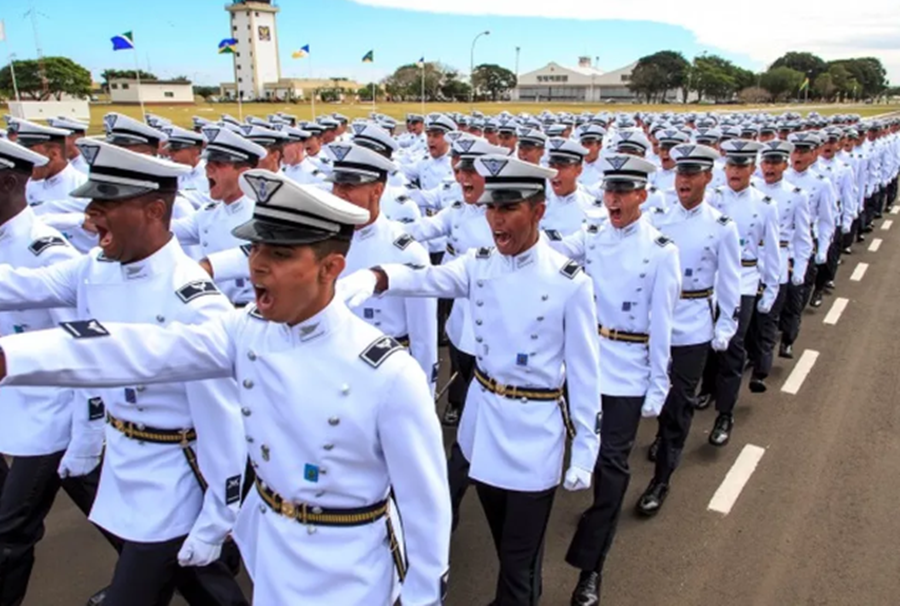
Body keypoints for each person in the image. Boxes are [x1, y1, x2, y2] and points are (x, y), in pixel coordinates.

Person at [0, 171, 452, 605]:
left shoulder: (388, 372)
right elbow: (141, 348)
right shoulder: (245, 331)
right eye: (256, 247)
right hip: (271, 546)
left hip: (350, 562)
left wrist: (423, 596)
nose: (256, 264)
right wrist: (13, 357)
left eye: (280, 254)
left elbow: (425, 507)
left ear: (331, 267)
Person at [342, 154, 600, 606]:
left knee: (519, 562)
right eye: (490, 209)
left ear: (538, 211)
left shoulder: (568, 282)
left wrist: (584, 451)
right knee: (509, 548)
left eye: (508, 209)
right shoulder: (479, 264)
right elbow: (426, 278)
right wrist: (378, 276)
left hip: (534, 434)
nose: (495, 220)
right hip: (483, 426)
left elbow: (584, 372)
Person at [0, 139, 249, 606]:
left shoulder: (194, 300)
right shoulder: (97, 268)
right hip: (126, 463)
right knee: (201, 584)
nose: (89, 218)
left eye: (105, 205)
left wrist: (219, 516)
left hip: (176, 474)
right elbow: (24, 286)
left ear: (155, 210)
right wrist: (88, 438)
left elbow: (224, 421)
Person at [553, 153, 680, 606]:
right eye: (609, 191)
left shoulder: (662, 251)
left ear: (642, 195)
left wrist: (658, 383)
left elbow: (663, 325)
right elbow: (547, 253)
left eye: (623, 192)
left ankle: (591, 569)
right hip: (586, 360)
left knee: (613, 466)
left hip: (628, 369)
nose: (613, 200)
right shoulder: (589, 235)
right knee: (563, 445)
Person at [0, 138, 114, 606]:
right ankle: (166, 561)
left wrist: (88, 425)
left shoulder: (48, 253)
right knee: (117, 516)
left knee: (9, 533)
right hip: (16, 413)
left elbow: (84, 347)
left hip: (51, 419)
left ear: (8, 182)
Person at [641, 143, 741, 516]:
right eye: (680, 174)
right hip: (654, 321)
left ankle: (662, 477)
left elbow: (730, 281)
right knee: (649, 391)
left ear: (707, 178)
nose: (683, 180)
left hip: (692, 323)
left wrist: (726, 323)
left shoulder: (721, 227)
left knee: (679, 403)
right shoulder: (658, 216)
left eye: (692, 174)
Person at [324, 141, 438, 392]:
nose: (339, 193)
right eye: (336, 184)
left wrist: (425, 394)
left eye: (349, 186)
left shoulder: (407, 253)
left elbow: (424, 339)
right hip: (332, 370)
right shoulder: (323, 243)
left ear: (377, 190)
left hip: (386, 375)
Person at [702, 139, 780, 445]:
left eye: (741, 166)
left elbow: (772, 251)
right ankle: (708, 390)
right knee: (706, 341)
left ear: (752, 169)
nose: (735, 171)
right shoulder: (711, 199)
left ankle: (725, 413)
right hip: (711, 278)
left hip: (744, 279)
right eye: (731, 165)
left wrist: (771, 288)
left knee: (733, 346)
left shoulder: (764, 206)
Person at [171, 125, 267, 306]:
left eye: (219, 165)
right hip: (213, 306)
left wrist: (210, 266)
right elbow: (168, 230)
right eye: (208, 164)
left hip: (251, 310)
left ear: (244, 173)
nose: (208, 170)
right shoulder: (209, 212)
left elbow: (262, 252)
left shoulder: (264, 212)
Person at [746, 140, 812, 392]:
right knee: (749, 319)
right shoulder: (752, 191)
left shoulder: (796, 197)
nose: (769, 167)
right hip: (750, 260)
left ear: (785, 164)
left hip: (778, 258)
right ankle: (752, 356)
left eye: (775, 162)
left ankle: (760, 372)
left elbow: (803, 236)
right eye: (766, 162)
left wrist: (801, 267)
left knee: (768, 318)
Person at [784, 132, 835, 317]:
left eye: (802, 152)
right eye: (794, 151)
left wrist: (822, 248)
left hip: (806, 239)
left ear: (813, 154)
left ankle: (789, 333)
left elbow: (827, 219)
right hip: (781, 242)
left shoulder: (821, 183)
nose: (797, 156)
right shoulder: (779, 180)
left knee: (799, 294)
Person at [541, 137, 600, 239]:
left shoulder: (591, 208)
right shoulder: (540, 206)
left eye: (562, 166)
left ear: (578, 170)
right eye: (552, 165)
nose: (555, 172)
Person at [161, 125, 210, 201]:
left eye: (176, 150)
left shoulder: (211, 174)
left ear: (196, 150)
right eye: (170, 150)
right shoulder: (174, 173)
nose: (171, 154)